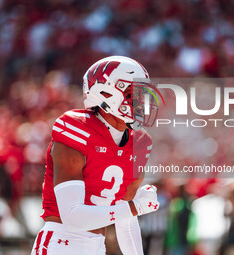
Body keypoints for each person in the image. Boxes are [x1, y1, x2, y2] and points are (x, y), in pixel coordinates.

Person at [30, 56, 162, 255]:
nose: (140, 101)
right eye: (131, 93)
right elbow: (73, 216)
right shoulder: (76, 128)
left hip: (97, 247)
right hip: (60, 243)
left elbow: (125, 219)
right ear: (106, 93)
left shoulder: (140, 143)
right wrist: (136, 207)